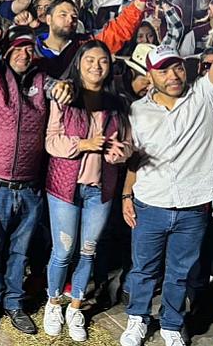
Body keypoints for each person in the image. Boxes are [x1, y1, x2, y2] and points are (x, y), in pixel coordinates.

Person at [119, 2, 213, 346]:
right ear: (150, 76)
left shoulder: (205, 97)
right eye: (163, 70)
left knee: (180, 272)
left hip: (193, 206)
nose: (172, 75)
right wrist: (127, 194)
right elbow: (136, 159)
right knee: (143, 269)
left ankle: (171, 323)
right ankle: (138, 319)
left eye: (177, 67)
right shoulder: (137, 110)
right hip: (150, 203)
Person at [0, 0, 70, 336]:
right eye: (18, 47)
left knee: (20, 251)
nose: (23, 53)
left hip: (28, 186)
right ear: (8, 49)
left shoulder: (42, 80)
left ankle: (14, 302)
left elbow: (59, 89)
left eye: (28, 48)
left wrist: (65, 88)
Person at [43, 41, 134, 342]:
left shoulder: (118, 103)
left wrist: (120, 153)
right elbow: (51, 142)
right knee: (63, 251)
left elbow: (128, 145)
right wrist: (83, 144)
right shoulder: (66, 97)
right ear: (79, 64)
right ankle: (54, 302)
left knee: (88, 250)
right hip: (64, 187)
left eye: (103, 61)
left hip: (100, 190)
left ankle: (76, 306)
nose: (96, 66)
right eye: (90, 60)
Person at [36, 0, 154, 78]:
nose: (70, 20)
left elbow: (119, 30)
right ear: (48, 19)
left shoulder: (88, 43)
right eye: (63, 15)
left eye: (74, 16)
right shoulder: (31, 51)